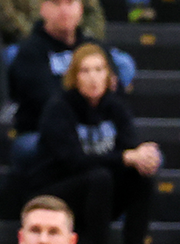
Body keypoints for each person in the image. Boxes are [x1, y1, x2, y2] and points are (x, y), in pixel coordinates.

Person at [21, 45, 157, 244]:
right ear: (74, 77)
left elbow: (130, 147)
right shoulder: (58, 108)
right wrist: (124, 157)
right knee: (100, 178)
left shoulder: (116, 106)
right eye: (85, 71)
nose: (93, 77)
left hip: (100, 192)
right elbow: (74, 161)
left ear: (108, 75)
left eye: (99, 70)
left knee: (141, 178)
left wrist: (144, 156)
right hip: (57, 187)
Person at [9, 0, 135, 160]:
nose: (64, 10)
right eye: (56, 3)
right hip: (44, 132)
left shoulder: (95, 47)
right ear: (43, 9)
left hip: (94, 131)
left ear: (80, 8)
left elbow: (115, 94)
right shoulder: (30, 51)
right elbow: (46, 100)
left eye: (70, 2)